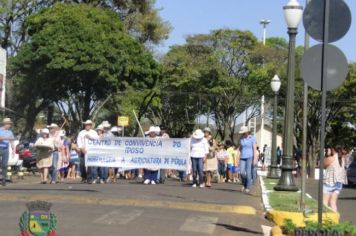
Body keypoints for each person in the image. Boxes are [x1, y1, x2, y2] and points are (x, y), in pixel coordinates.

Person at [323, 147, 347, 213]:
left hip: (330, 182)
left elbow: (323, 164)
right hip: (339, 183)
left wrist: (327, 155)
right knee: (333, 202)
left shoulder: (331, 158)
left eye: (328, 149)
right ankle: (336, 219)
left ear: (332, 150)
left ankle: (326, 219)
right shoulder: (342, 158)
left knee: (325, 202)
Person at [238, 126, 258, 193]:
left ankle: (248, 187)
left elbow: (254, 149)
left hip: (250, 156)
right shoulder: (241, 138)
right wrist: (238, 155)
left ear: (247, 132)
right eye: (242, 133)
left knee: (248, 172)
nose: (242, 134)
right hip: (242, 157)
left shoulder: (252, 138)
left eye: (243, 133)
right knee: (241, 172)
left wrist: (254, 159)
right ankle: (245, 184)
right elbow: (240, 148)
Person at [0, 118, 15, 186]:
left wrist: (13, 149)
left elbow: (12, 141)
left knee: (5, 165)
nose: (9, 125)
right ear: (5, 124)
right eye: (8, 124)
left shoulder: (10, 132)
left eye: (10, 124)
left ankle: (3, 180)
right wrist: (8, 138)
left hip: (6, 149)